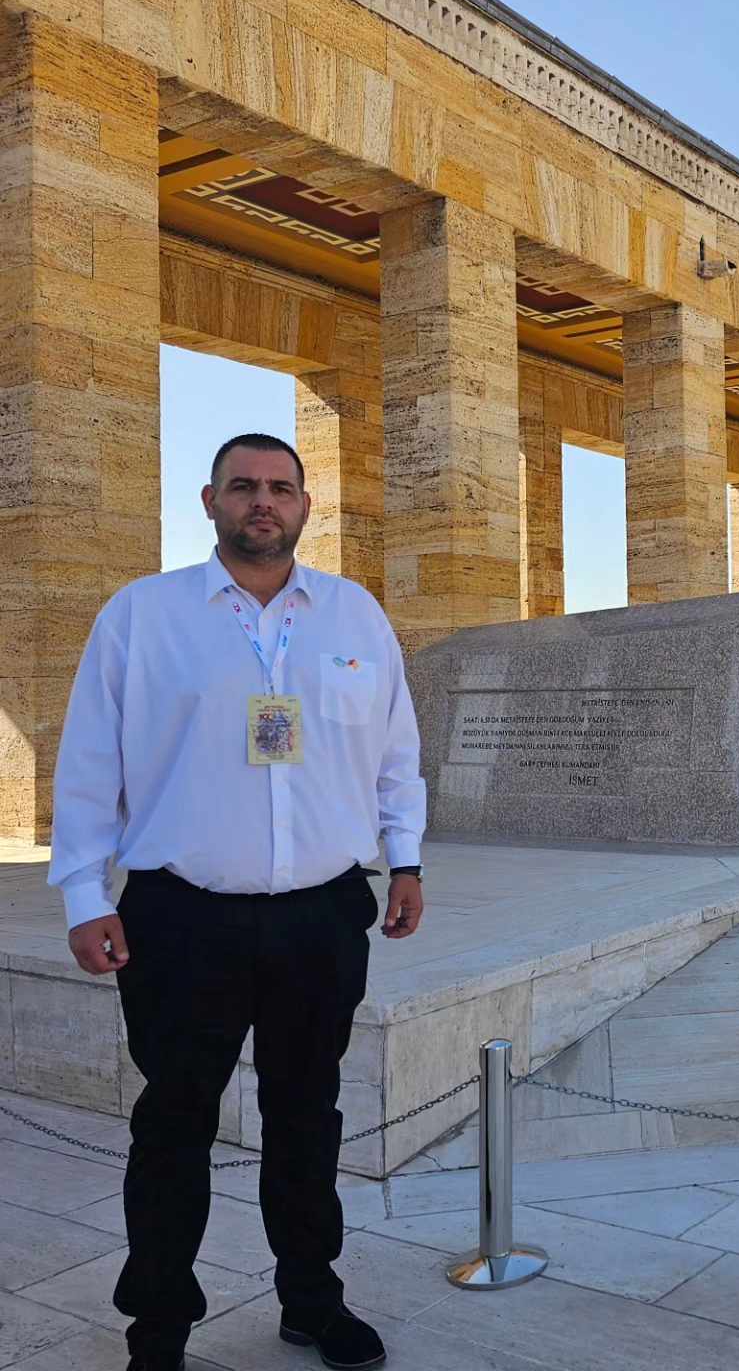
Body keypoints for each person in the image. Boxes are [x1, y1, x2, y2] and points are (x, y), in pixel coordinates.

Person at [47, 434, 426, 1371]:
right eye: (244, 486)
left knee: (308, 1115)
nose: (264, 501)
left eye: (281, 488)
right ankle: (159, 1328)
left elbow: (395, 753)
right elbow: (91, 763)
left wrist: (405, 860)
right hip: (183, 918)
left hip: (320, 915)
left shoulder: (355, 616)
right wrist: (83, 894)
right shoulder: (143, 616)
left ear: (305, 506)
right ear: (209, 501)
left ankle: (312, 1299)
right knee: (173, 1124)